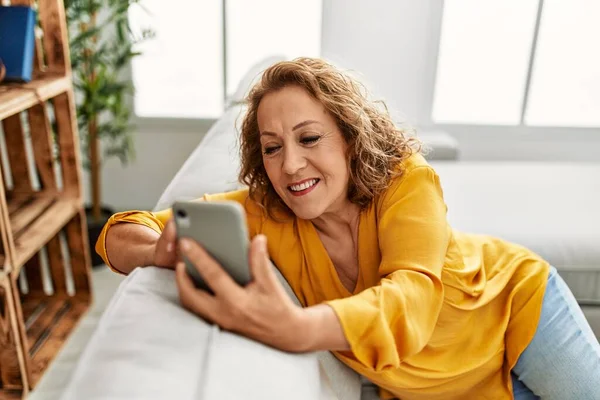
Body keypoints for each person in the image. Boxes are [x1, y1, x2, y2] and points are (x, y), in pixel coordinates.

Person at [96, 58, 600, 399]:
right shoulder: (266, 213)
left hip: (517, 310)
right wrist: (157, 251)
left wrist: (298, 330)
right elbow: (118, 231)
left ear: (350, 138)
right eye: (272, 147)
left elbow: (412, 299)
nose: (291, 164)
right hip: (436, 384)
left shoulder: (407, 181)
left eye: (309, 138)